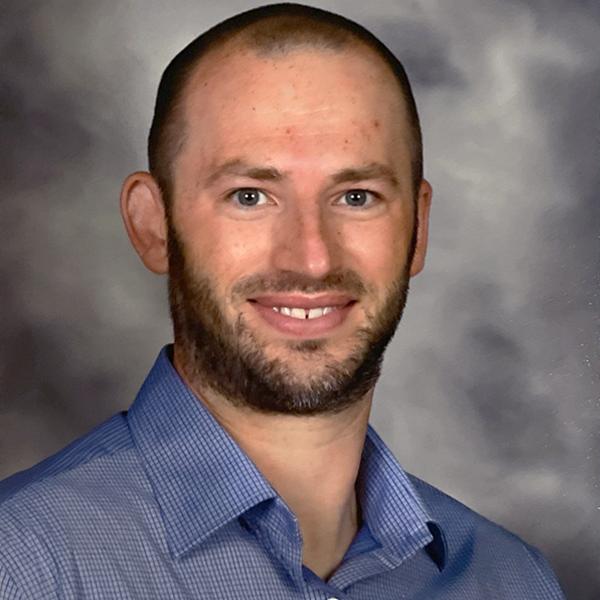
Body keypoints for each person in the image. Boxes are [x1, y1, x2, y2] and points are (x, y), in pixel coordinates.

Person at [0, 4, 565, 599]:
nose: (311, 258)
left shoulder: (508, 579)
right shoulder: (24, 566)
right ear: (154, 225)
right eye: (250, 195)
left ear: (418, 229)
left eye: (355, 196)